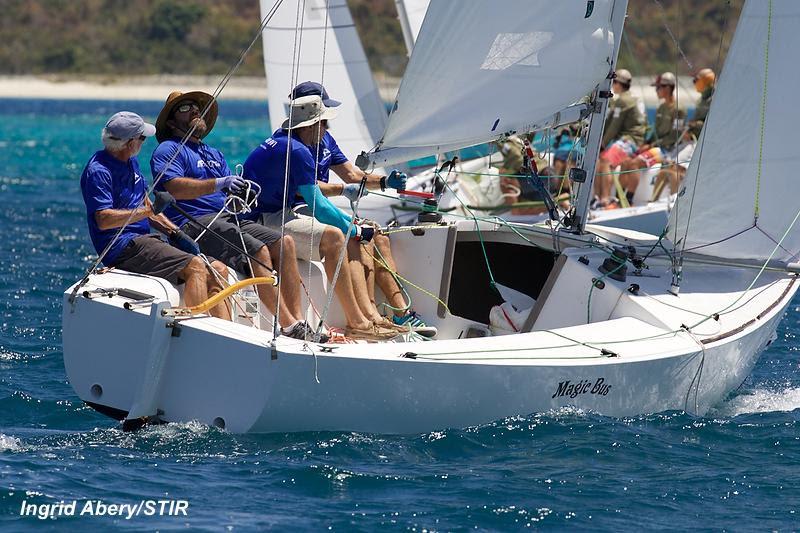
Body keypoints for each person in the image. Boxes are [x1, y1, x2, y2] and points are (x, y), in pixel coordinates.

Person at [241, 94, 408, 341]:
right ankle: (358, 321)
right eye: (323, 123)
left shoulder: (296, 144)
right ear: (311, 125)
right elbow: (318, 205)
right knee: (336, 236)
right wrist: (355, 229)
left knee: (354, 233)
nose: (326, 128)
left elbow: (343, 180)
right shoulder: (296, 150)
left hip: (279, 213)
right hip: (262, 219)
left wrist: (381, 186)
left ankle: (371, 316)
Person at [149, 91, 313, 340]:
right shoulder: (169, 149)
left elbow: (227, 195)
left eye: (196, 106)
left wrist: (240, 196)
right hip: (196, 223)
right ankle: (288, 326)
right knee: (257, 250)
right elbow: (174, 187)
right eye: (184, 108)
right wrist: (219, 184)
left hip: (227, 218)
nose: (194, 110)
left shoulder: (213, 153)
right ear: (172, 122)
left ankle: (298, 320)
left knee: (285, 243)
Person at [281, 82, 437, 334]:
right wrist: (342, 192)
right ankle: (367, 318)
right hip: (296, 211)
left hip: (316, 211)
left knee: (379, 239)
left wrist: (385, 182)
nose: (327, 125)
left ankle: (401, 314)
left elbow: (352, 174)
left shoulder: (325, 140)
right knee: (355, 238)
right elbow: (306, 188)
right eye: (322, 119)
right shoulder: (291, 145)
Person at [80, 111, 231, 320]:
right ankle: (200, 332)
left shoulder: (130, 162)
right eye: (142, 138)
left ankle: (225, 333)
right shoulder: (99, 171)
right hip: (122, 247)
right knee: (195, 267)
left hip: (144, 241)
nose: (144, 143)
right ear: (129, 143)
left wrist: (177, 234)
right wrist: (150, 210)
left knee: (218, 269)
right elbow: (104, 220)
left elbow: (147, 207)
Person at [615, 72, 687, 205]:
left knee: (635, 163)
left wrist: (653, 144)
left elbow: (675, 136)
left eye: (658, 88)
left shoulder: (679, 109)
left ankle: (628, 200)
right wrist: (647, 143)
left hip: (666, 150)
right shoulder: (661, 107)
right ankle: (618, 200)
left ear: (667, 88)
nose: (656, 91)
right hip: (656, 146)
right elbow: (656, 131)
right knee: (625, 162)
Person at [651, 68, 716, 200]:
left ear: (704, 81)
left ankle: (674, 200)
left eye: (696, 80)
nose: (694, 83)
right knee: (667, 166)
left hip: (698, 143)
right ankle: (653, 201)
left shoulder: (714, 100)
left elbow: (712, 124)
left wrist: (694, 125)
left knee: (675, 167)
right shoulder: (701, 100)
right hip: (690, 140)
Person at [594, 68, 646, 207]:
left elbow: (613, 127)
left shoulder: (623, 100)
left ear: (618, 83)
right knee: (599, 162)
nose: (611, 85)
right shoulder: (629, 98)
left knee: (605, 161)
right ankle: (597, 199)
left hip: (630, 140)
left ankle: (604, 199)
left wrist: (601, 144)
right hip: (630, 139)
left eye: (613, 82)